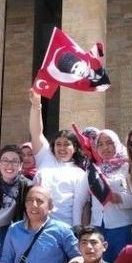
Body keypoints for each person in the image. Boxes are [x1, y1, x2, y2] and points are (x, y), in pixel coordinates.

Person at [28, 90, 89, 227]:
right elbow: (36, 133)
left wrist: (77, 229)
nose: (62, 148)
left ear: (75, 148)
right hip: (38, 224)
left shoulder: (80, 174)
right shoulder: (46, 157)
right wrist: (36, 105)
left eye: (67, 144)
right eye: (58, 144)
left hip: (65, 227)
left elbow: (79, 204)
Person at [88, 130, 132, 263]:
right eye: (100, 144)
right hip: (97, 226)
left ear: (117, 144)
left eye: (109, 143)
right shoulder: (94, 169)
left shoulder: (128, 167)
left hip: (121, 227)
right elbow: (83, 200)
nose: (105, 148)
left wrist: (117, 198)